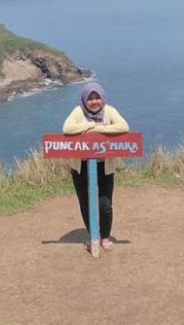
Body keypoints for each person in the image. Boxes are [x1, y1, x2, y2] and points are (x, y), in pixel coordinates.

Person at [62, 82, 129, 252]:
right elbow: (67, 128)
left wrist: (100, 128)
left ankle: (105, 237)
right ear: (84, 99)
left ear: (102, 98)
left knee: (105, 204)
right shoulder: (78, 111)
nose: (94, 102)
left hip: (105, 166)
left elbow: (124, 126)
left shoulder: (109, 111)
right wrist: (90, 126)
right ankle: (93, 236)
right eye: (90, 98)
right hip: (81, 166)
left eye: (97, 97)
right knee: (85, 202)